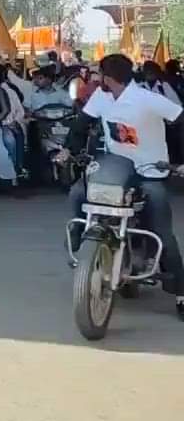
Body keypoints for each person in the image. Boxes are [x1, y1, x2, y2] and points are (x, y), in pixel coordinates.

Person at [58, 53, 184, 322]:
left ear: (108, 77)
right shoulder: (102, 98)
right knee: (79, 192)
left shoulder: (147, 99)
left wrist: (180, 161)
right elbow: (81, 126)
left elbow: (180, 122)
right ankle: (82, 244)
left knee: (161, 227)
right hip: (116, 168)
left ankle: (180, 291)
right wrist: (68, 150)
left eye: (99, 75)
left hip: (150, 171)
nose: (97, 79)